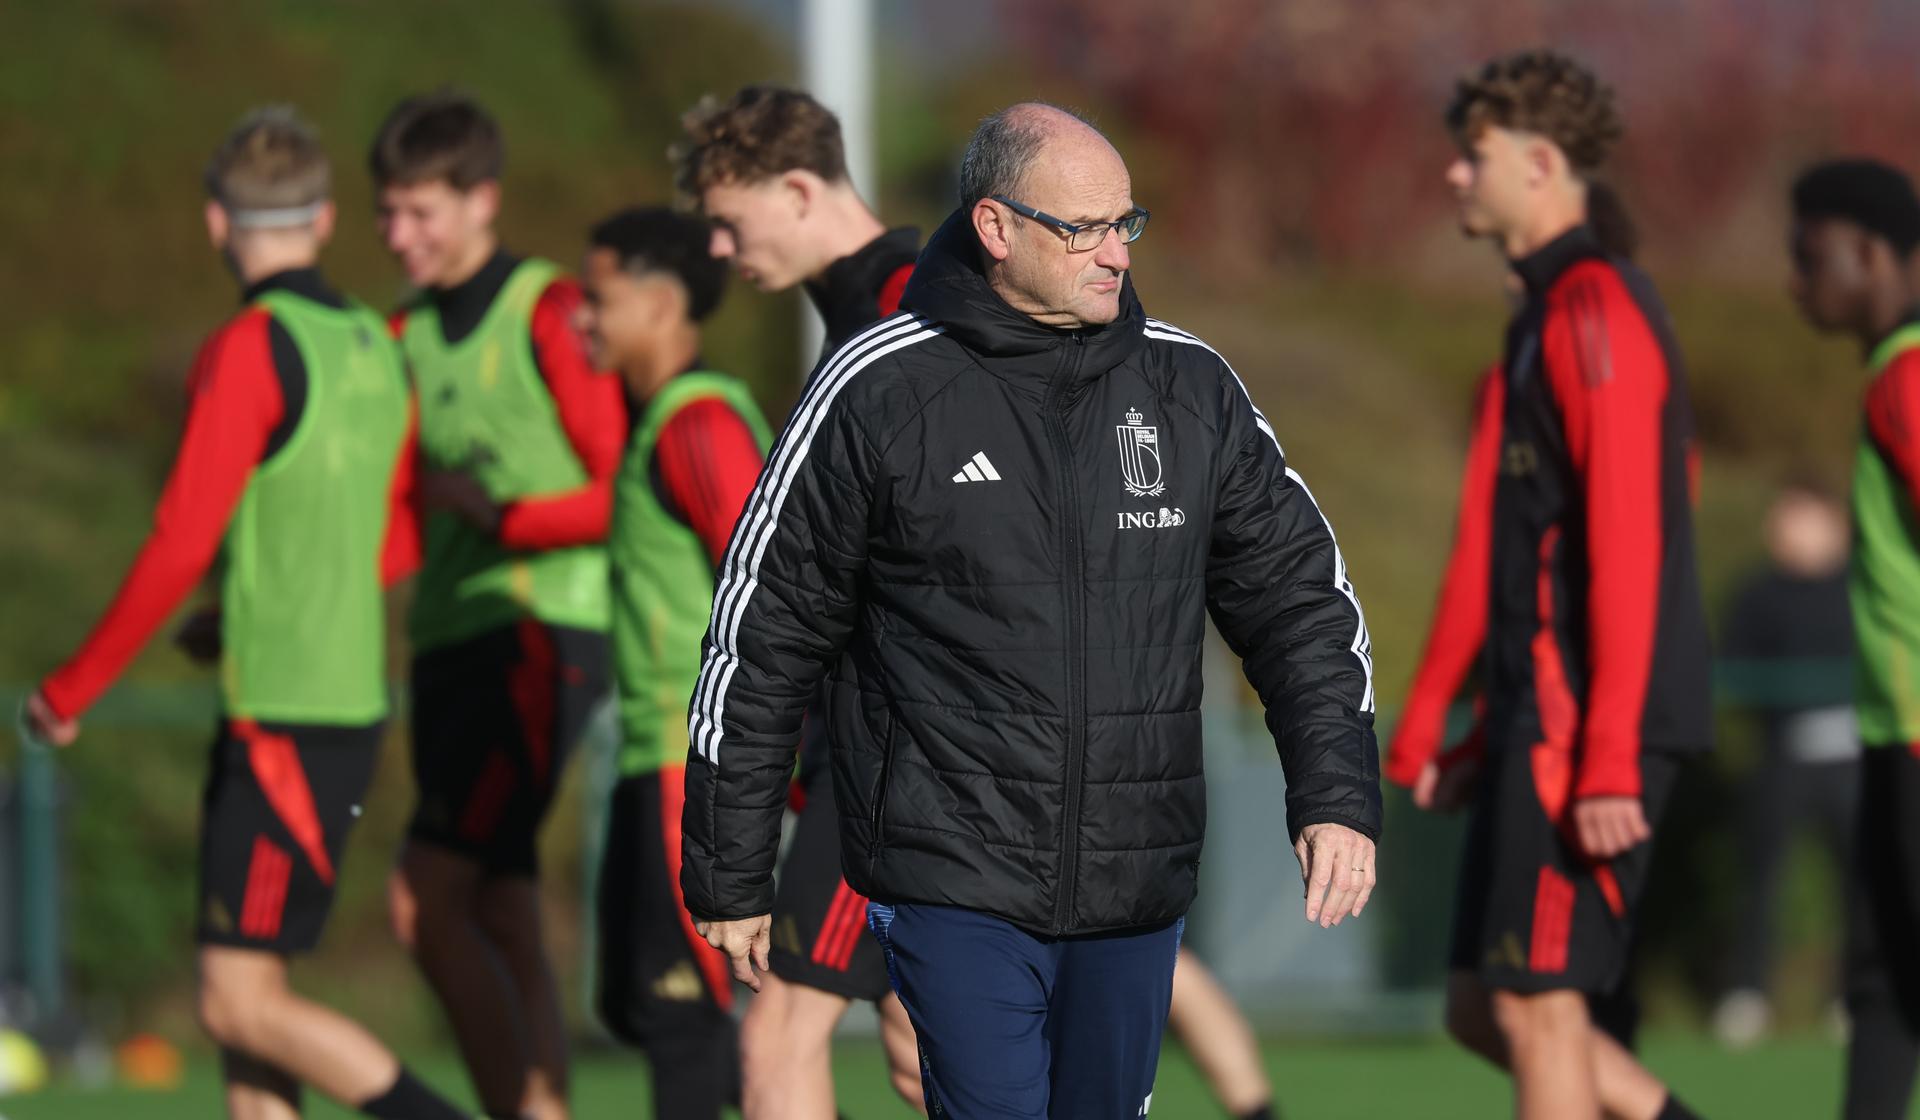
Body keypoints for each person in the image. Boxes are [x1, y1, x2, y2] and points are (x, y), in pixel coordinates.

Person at [681, 101, 1381, 1119]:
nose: (1113, 254)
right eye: (1082, 228)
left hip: (1134, 880)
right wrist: (732, 865)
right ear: (996, 228)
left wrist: (1335, 794)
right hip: (950, 875)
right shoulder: (878, 388)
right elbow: (763, 633)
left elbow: (1300, 602)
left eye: (1124, 225)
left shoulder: (1189, 388)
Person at [20, 107, 468, 1120]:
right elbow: (390, 541)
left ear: (216, 224)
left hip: (285, 719)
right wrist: (242, 612)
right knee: (250, 1011)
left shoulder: (251, 347)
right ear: (325, 221)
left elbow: (181, 535)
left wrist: (70, 689)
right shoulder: (371, 342)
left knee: (234, 1001)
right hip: (342, 701)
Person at [1383, 50, 1711, 1120]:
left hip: (1588, 727)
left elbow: (1628, 547)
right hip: (1539, 716)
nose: (1453, 178)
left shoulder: (1597, 312)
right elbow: (1499, 548)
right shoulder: (1535, 322)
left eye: (1471, 157)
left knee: (1538, 1007)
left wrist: (1606, 750)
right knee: (1485, 1006)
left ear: (1538, 163)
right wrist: (1450, 723)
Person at [371, 91, 625, 1120]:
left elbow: (622, 485)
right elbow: (392, 514)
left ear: (483, 201)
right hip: (445, 646)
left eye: (421, 212)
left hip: (540, 636)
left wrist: (505, 515)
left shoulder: (550, 310)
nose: (399, 236)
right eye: (387, 213)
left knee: (422, 901)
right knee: (508, 911)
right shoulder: (399, 333)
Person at [673, 84, 923, 1116]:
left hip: (909, 754)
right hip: (875, 745)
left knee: (777, 1034)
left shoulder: (918, 306)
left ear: (798, 188)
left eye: (731, 223)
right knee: (925, 1055)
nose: (723, 253)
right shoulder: (859, 325)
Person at [577, 206, 766, 1119]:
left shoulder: (697, 422)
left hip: (688, 769)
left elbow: (772, 585)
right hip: (645, 757)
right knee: (633, 1002)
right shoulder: (652, 420)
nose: (581, 318)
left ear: (659, 304)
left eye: (596, 297)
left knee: (683, 1018)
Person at [1785, 157, 1920, 1120]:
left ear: (1870, 254)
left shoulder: (1907, 378)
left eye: (1810, 256)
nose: (1797, 282)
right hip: (1891, 735)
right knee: (1881, 986)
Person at [1712, 477, 1857, 1048]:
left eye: (1800, 518)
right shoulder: (1756, 593)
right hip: (1784, 757)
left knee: (1862, 884)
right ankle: (1749, 994)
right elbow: (1735, 670)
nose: (1786, 531)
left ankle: (1852, 996)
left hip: (1855, 758)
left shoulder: (1865, 585)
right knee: (1761, 878)